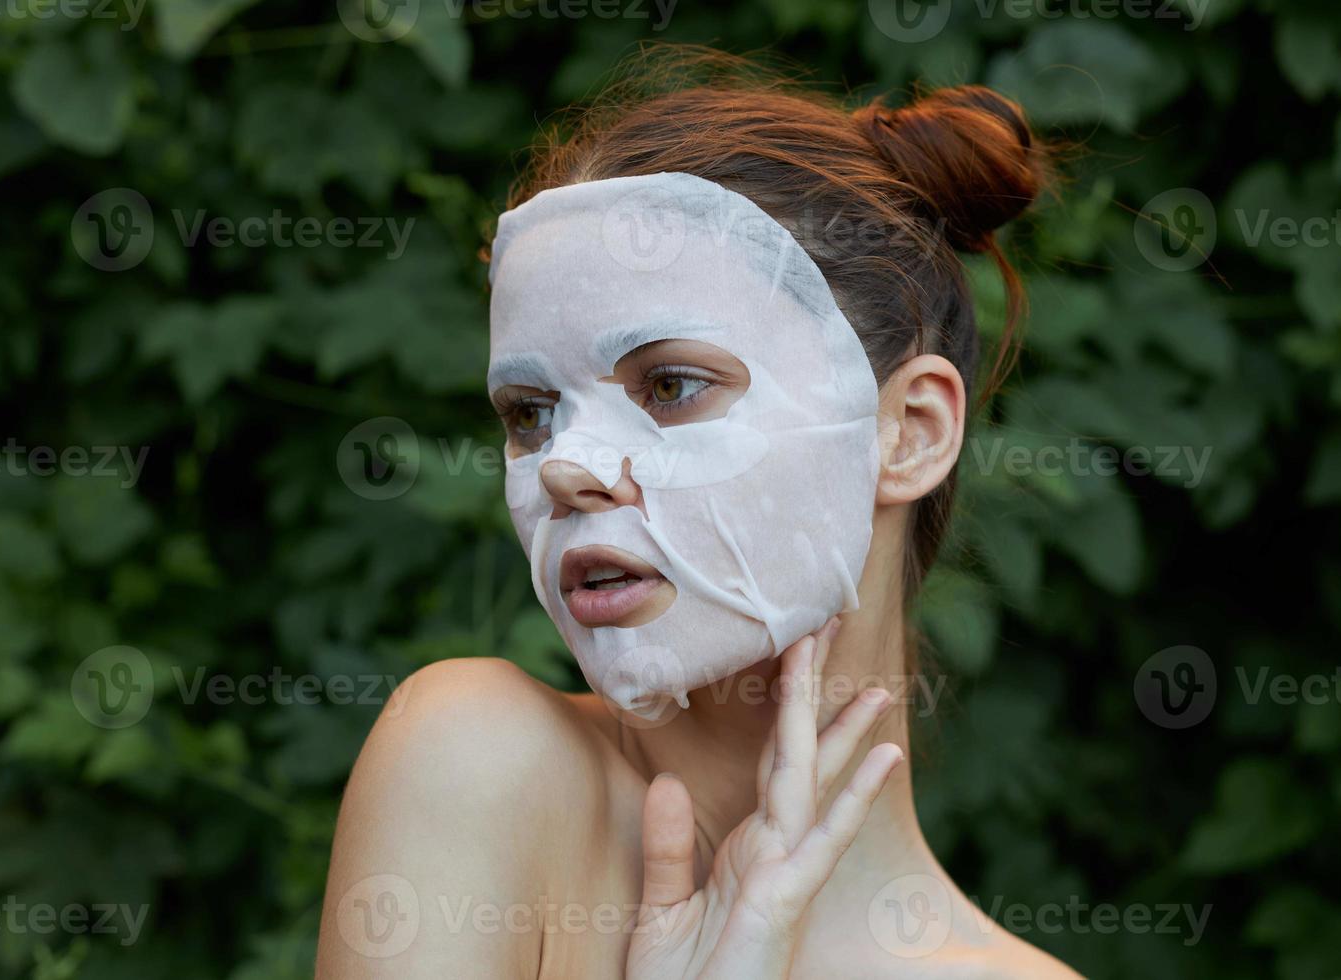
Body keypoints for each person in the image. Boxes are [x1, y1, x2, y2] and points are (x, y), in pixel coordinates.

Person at [317, 48, 1078, 979]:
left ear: (910, 433)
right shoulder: (477, 762)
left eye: (671, 385)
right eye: (530, 414)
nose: (565, 469)